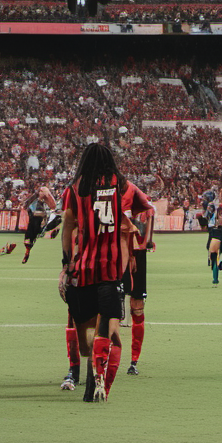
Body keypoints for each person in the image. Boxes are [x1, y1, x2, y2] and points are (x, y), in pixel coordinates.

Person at [58, 142, 150, 403]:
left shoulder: (74, 189)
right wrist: (136, 246)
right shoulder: (122, 186)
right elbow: (139, 217)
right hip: (111, 270)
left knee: (81, 328)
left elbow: (67, 227)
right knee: (109, 330)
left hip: (83, 268)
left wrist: (66, 264)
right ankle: (102, 384)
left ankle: (78, 368)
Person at [121, 184, 156, 375]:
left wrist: (147, 241)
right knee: (112, 307)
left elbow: (147, 237)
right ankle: (109, 355)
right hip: (119, 255)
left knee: (137, 307)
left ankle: (134, 360)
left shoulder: (145, 211)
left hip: (137, 257)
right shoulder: (116, 206)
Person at [21, 185, 59, 264]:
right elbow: (26, 206)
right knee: (28, 240)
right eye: (40, 192)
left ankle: (50, 232)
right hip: (33, 220)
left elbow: (52, 207)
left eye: (43, 192)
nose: (41, 193)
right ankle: (27, 253)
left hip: (39, 220)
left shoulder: (45, 202)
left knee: (38, 232)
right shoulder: (34, 200)